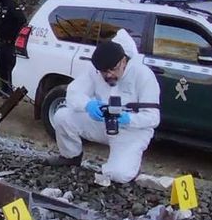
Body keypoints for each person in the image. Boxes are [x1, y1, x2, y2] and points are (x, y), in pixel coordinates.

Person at [48, 29, 160, 183]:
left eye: (112, 70)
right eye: (103, 72)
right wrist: (88, 105)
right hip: (103, 123)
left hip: (131, 131)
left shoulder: (143, 75)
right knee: (62, 116)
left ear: (123, 61)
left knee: (117, 175)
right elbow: (73, 93)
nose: (108, 75)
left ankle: (130, 164)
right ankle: (70, 156)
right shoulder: (96, 71)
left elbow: (153, 118)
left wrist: (127, 118)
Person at [0, 0, 26, 97]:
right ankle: (4, 88)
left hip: (11, 42)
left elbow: (22, 20)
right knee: (1, 66)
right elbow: (1, 21)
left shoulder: (13, 6)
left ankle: (11, 90)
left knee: (10, 67)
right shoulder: (2, 6)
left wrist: (13, 33)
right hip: (2, 41)